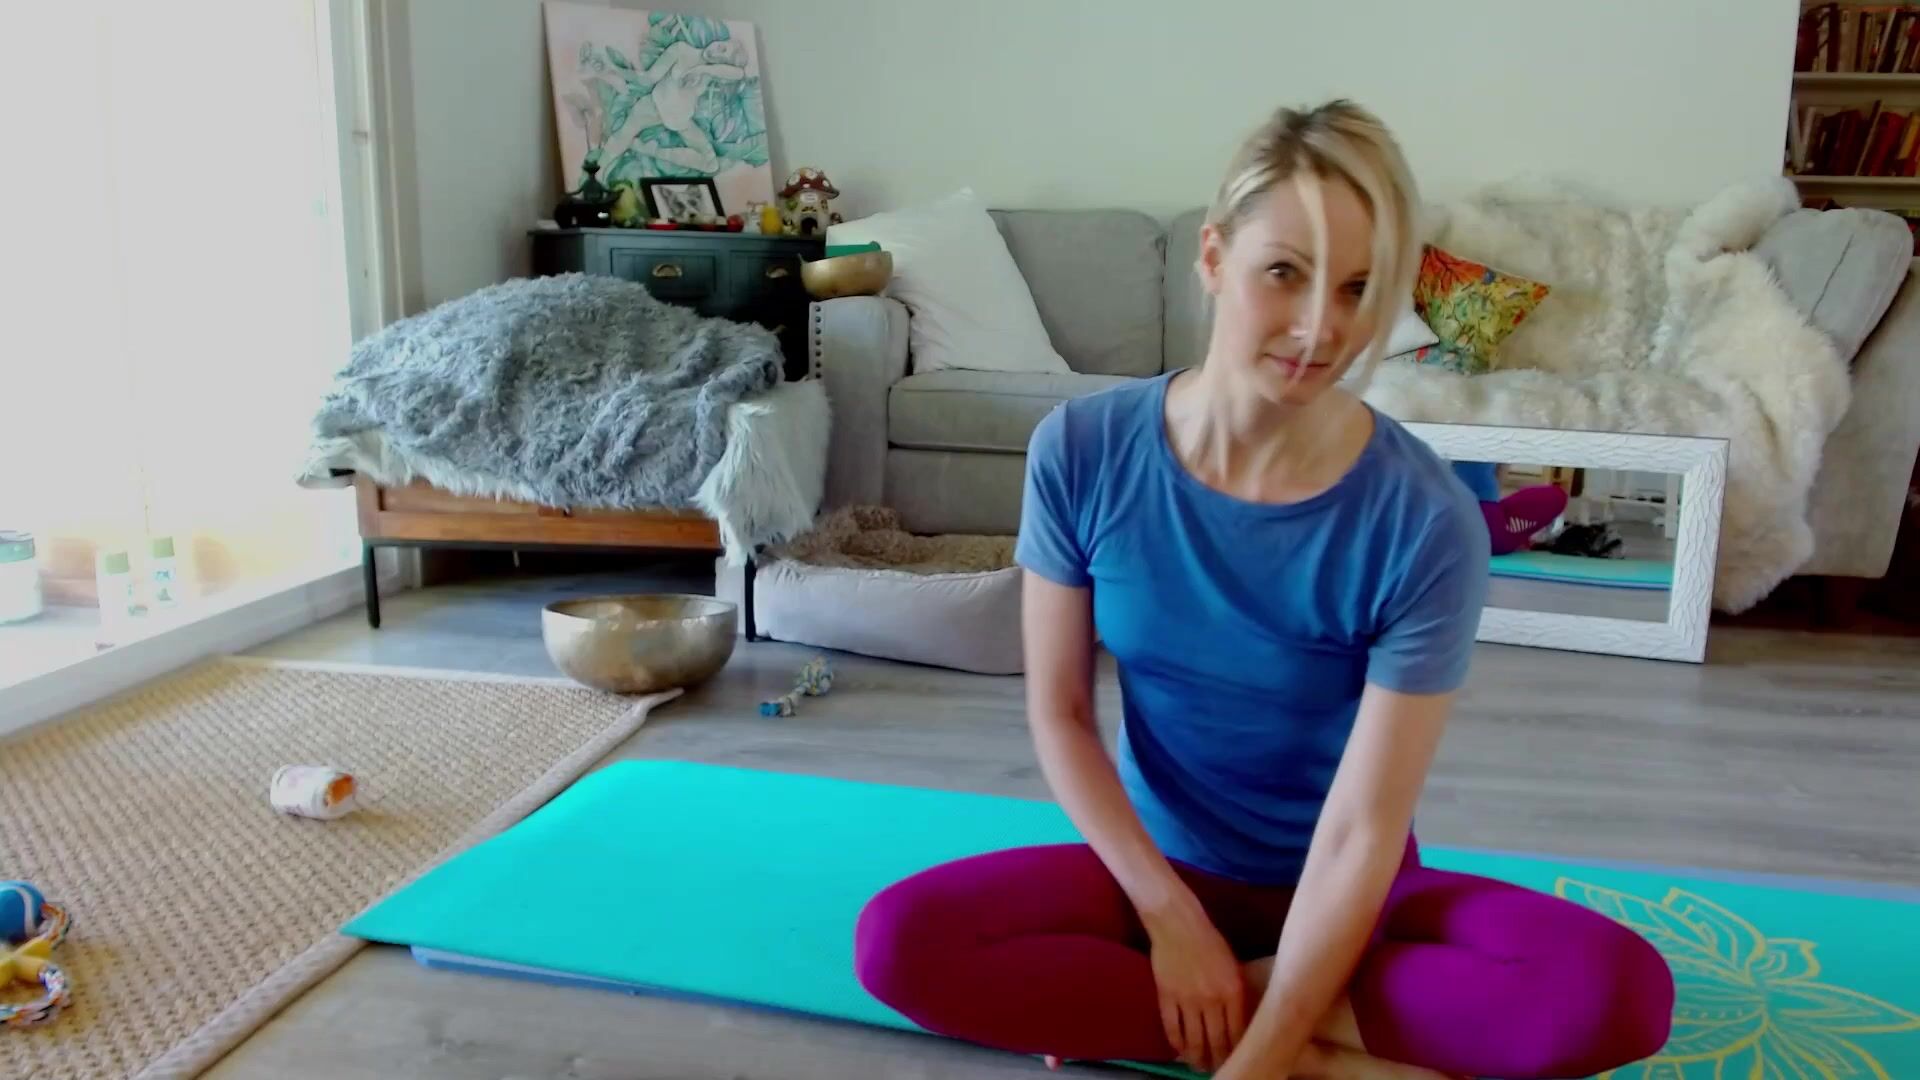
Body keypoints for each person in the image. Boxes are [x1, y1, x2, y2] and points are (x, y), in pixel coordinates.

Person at [853, 101, 1674, 1079]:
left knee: (1615, 993)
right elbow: (1060, 715)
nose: (1321, 327)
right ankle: (1329, 1045)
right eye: (1285, 272)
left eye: (1358, 288)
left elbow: (1364, 831)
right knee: (898, 942)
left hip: (1348, 901)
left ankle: (1240, 1025)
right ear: (1213, 257)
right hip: (1152, 882)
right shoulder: (1082, 450)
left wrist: (1263, 1059)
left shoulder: (1425, 519)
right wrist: (1171, 921)